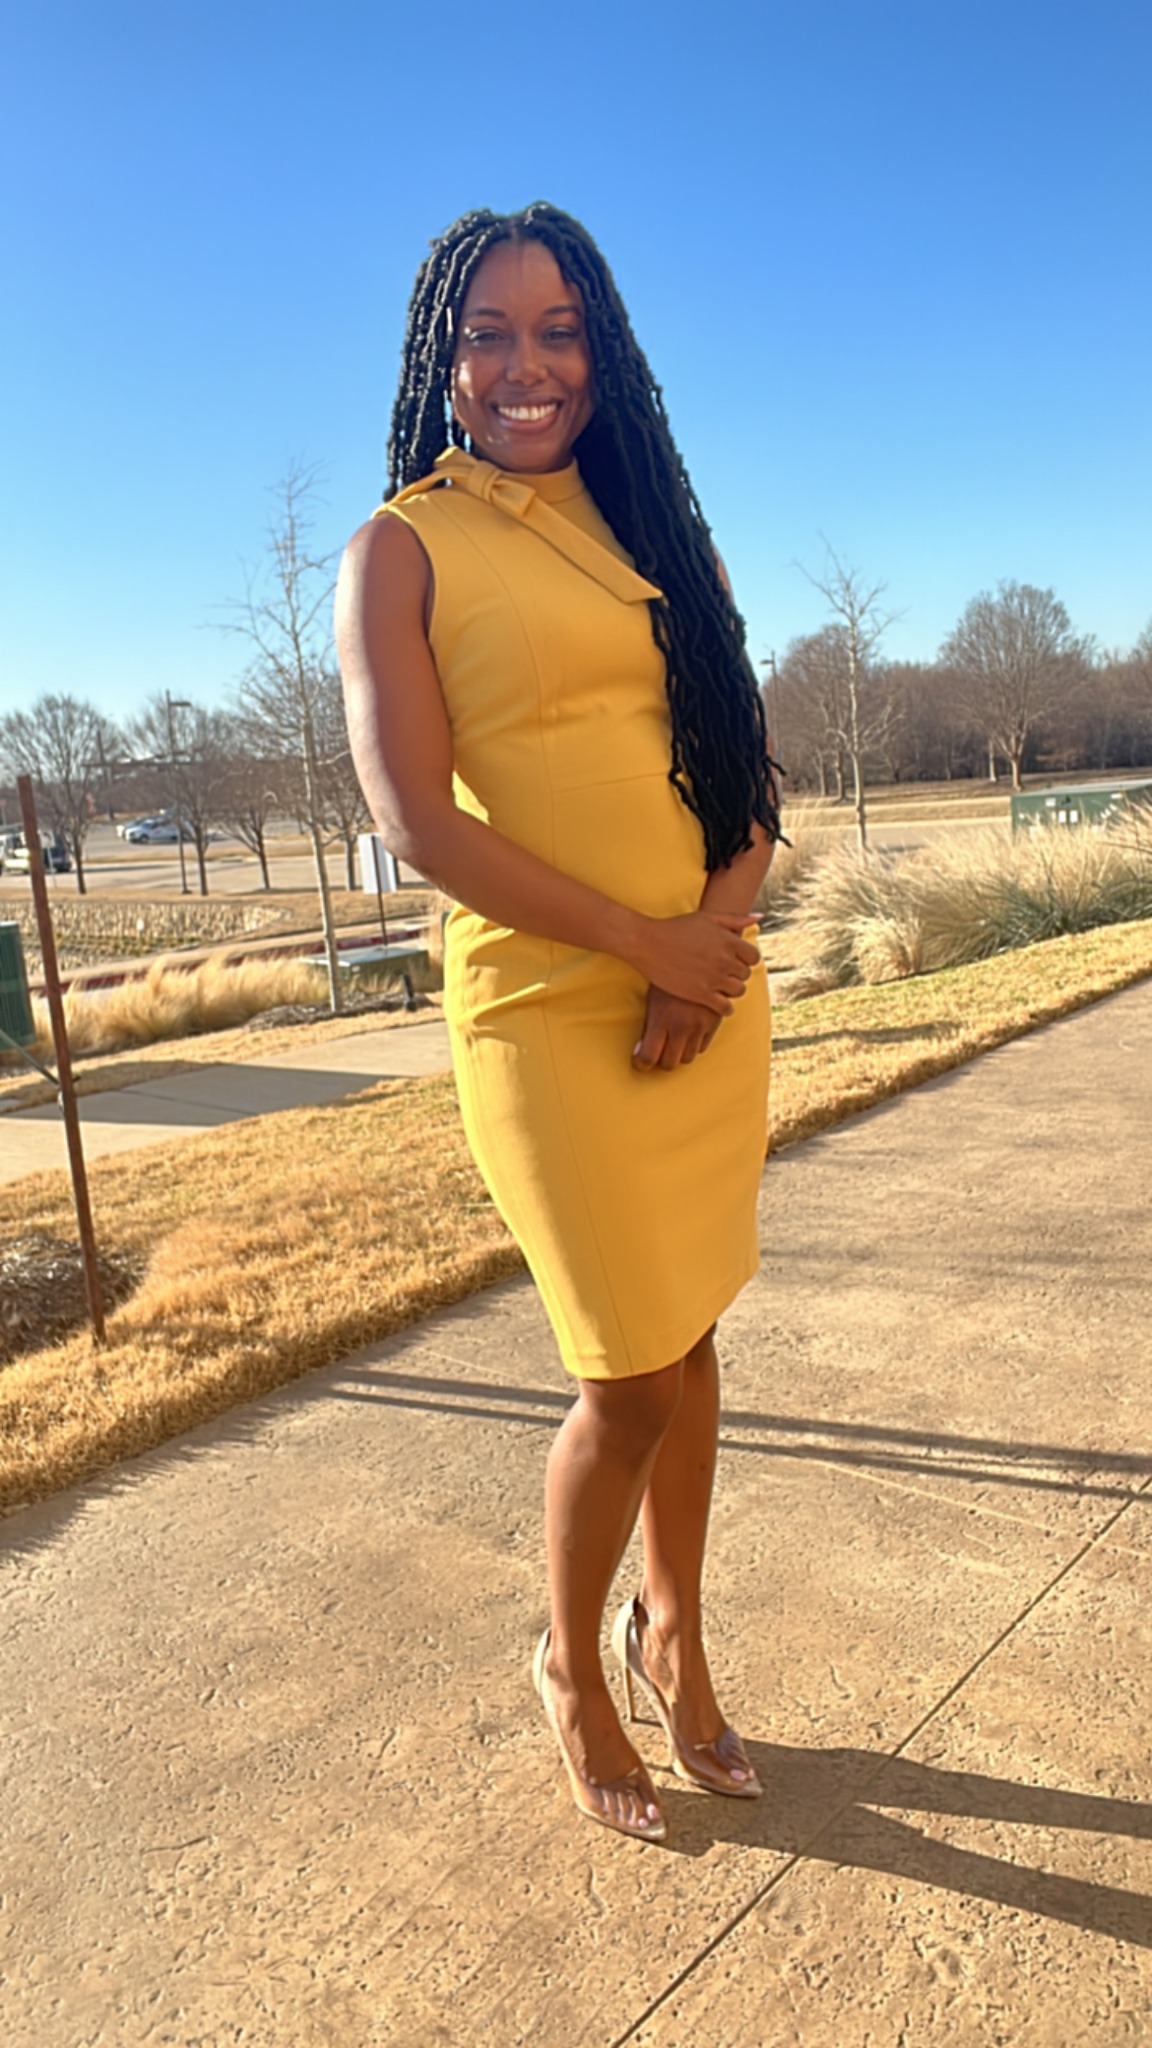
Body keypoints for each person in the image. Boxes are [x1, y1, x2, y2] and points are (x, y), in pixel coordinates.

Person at [336, 203, 783, 1844]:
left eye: (558, 329)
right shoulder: (403, 548)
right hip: (544, 1006)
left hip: (703, 990)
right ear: (442, 358)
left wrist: (705, 947)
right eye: (489, 333)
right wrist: (642, 946)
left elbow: (749, 778)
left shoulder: (668, 532)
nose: (526, 365)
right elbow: (416, 822)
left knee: (690, 1330)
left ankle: (674, 1633)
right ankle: (572, 1664)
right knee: (628, 1372)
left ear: (605, 348)